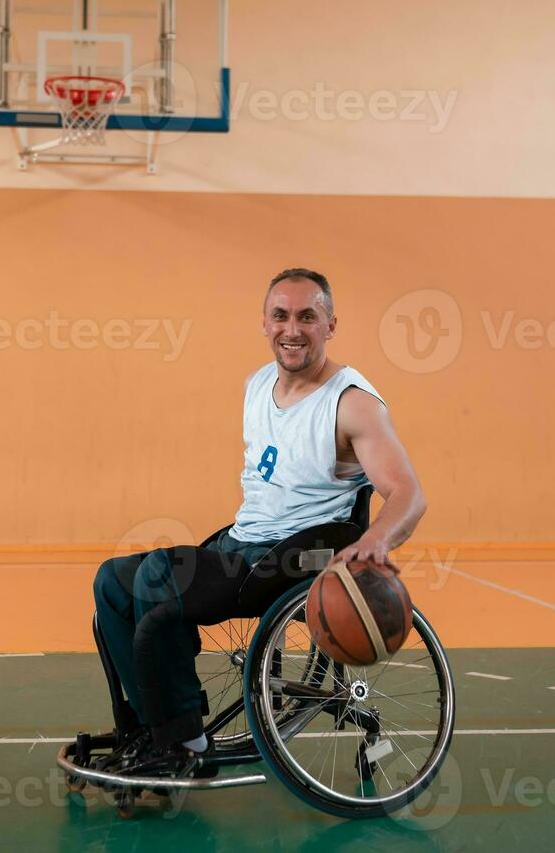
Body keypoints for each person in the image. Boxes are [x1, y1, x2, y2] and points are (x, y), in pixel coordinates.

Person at [90, 267, 428, 777]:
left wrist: (374, 542)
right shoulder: (257, 385)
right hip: (242, 544)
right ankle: (146, 728)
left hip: (292, 557)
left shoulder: (351, 403)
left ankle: (184, 744)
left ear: (330, 324)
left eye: (307, 317)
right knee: (112, 582)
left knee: (159, 576)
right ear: (265, 323)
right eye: (281, 316)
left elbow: (409, 495)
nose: (292, 329)